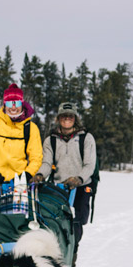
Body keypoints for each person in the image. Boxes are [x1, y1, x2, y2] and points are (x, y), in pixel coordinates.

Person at [38, 102, 96, 252]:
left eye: (70, 116)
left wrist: (78, 179)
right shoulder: (50, 140)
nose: (67, 119)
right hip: (59, 187)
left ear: (75, 118)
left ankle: (72, 252)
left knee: (77, 222)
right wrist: (39, 175)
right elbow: (46, 163)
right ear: (58, 118)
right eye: (64, 116)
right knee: (54, 220)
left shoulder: (86, 138)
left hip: (81, 186)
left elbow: (90, 165)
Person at [0, 84, 42, 212]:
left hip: (18, 187)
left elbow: (36, 157)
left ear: (22, 103)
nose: (13, 107)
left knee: (16, 226)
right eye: (9, 102)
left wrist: (27, 175)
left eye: (16, 102)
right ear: (4, 103)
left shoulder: (30, 127)